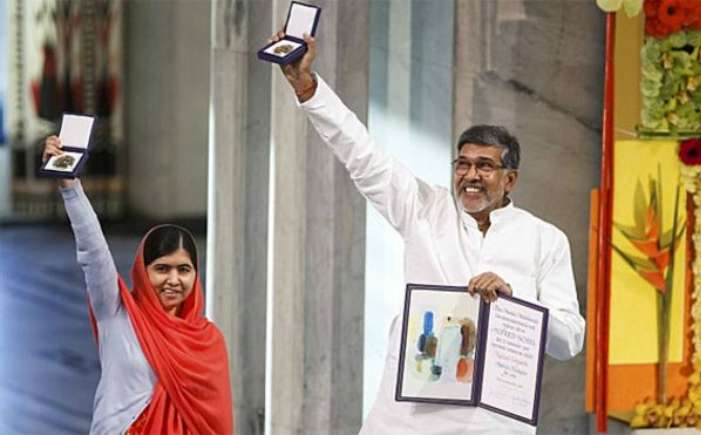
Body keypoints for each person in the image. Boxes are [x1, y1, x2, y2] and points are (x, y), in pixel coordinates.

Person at [270, 31, 586, 434]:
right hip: (411, 416)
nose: (471, 176)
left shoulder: (545, 239)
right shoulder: (424, 208)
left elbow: (568, 340)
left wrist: (513, 300)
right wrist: (307, 87)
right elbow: (360, 152)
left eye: (485, 166)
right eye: (462, 164)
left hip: (494, 421)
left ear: (510, 179)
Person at [43, 137, 233, 434]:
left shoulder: (208, 342)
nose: (173, 280)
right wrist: (70, 186)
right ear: (143, 273)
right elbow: (94, 252)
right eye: (161, 269)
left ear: (196, 275)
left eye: (184, 269)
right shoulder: (116, 313)